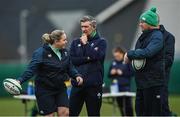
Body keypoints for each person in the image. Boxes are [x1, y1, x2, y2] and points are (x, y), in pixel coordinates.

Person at [17, 30, 83, 116]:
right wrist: (19, 80)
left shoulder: (65, 52)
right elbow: (31, 70)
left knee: (65, 113)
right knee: (50, 115)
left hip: (60, 88)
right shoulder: (40, 53)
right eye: (64, 40)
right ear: (56, 41)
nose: (66, 42)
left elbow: (69, 67)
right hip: (44, 90)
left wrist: (76, 75)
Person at [124, 7, 165, 115]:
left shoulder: (157, 37)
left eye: (142, 22)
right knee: (140, 113)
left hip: (153, 83)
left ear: (150, 22)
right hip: (142, 83)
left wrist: (129, 54)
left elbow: (148, 52)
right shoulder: (144, 36)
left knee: (152, 114)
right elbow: (139, 53)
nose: (140, 24)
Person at [69, 15, 107, 116]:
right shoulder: (75, 42)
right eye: (82, 27)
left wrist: (86, 44)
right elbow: (72, 61)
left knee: (93, 114)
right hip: (77, 85)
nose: (83, 29)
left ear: (93, 27)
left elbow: (96, 56)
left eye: (86, 26)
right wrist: (87, 59)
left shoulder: (101, 42)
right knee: (71, 114)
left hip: (94, 86)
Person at [108, 47, 134, 116]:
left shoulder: (127, 61)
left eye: (118, 56)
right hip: (116, 88)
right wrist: (111, 72)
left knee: (128, 106)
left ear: (122, 54)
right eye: (115, 56)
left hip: (125, 88)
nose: (117, 57)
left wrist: (122, 73)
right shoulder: (113, 63)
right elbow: (109, 75)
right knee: (121, 106)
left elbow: (132, 73)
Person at [157, 16, 175, 115]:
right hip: (146, 80)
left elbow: (168, 59)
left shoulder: (168, 37)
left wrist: (154, 67)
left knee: (162, 105)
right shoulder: (146, 36)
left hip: (161, 78)